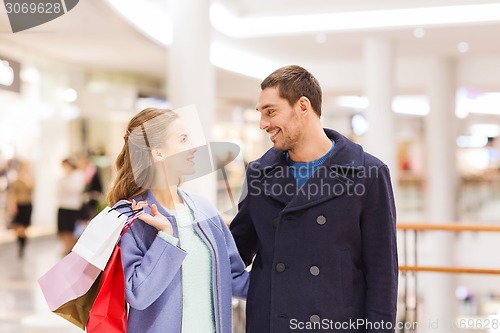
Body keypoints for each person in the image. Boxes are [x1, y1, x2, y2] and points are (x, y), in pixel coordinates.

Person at [230, 65, 398, 333]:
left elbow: (382, 274)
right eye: (260, 114)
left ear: (303, 106)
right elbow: (236, 251)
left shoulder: (368, 174)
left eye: (270, 112)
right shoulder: (259, 174)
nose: (263, 124)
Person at [106, 107, 249, 333]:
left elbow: (235, 278)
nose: (192, 147)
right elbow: (137, 294)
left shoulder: (204, 209)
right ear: (158, 152)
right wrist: (165, 237)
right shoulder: (132, 217)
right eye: (183, 139)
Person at [57, 157, 85, 255]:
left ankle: (71, 250)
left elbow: (77, 188)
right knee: (63, 229)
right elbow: (58, 190)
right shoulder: (62, 176)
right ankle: (65, 248)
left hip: (73, 207)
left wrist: (67, 187)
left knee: (72, 230)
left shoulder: (77, 175)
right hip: (63, 205)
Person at [7, 161, 34, 258]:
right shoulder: (16, 180)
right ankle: (20, 246)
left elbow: (31, 188)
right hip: (19, 205)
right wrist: (12, 205)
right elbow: (12, 193)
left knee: (24, 227)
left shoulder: (30, 179)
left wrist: (25, 178)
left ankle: (23, 246)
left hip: (27, 205)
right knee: (18, 227)